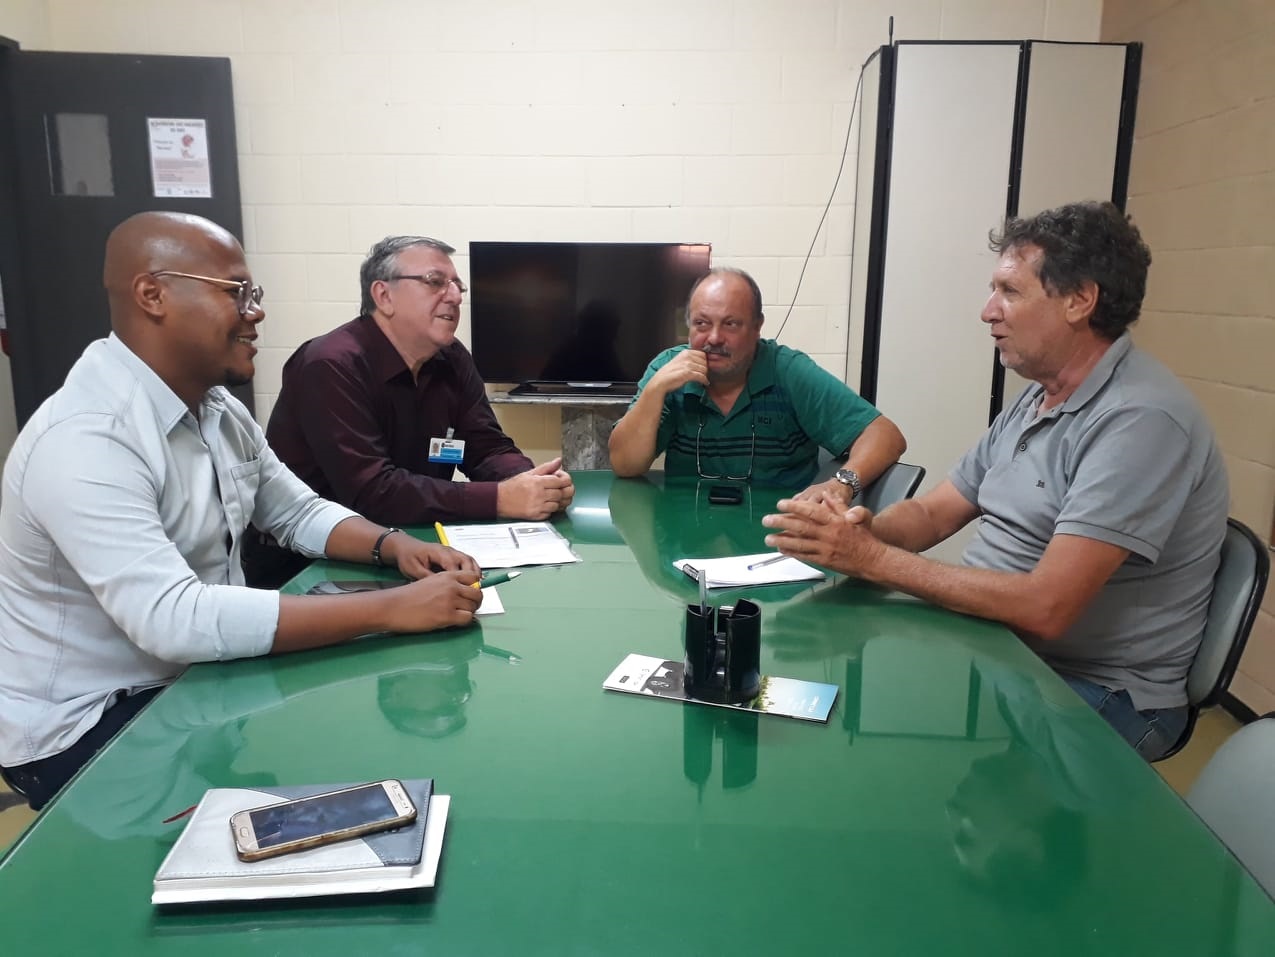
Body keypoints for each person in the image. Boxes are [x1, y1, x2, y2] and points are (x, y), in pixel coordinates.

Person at [0, 212, 484, 810]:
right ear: (153, 294)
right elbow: (173, 619)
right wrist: (392, 609)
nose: (255, 312)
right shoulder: (87, 437)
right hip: (93, 723)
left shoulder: (218, 411)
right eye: (237, 293)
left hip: (193, 682)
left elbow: (297, 511)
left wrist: (395, 547)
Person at [762, 201, 1229, 761]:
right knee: (828, 704)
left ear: (1081, 300)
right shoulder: (1041, 395)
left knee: (884, 752)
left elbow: (1047, 607)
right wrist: (855, 532)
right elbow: (935, 512)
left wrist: (871, 559)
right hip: (1001, 645)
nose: (988, 311)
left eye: (1010, 291)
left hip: (1098, 691)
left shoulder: (1141, 420)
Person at [265, 235, 575, 526]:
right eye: (435, 282)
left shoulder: (452, 357)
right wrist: (500, 499)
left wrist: (532, 482)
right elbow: (372, 491)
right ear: (384, 296)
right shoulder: (329, 365)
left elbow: (485, 447)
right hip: (310, 562)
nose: (454, 297)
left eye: (457, 286)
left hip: (410, 539)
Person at [607, 267, 906, 499]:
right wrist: (655, 391)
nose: (713, 338)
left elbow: (885, 435)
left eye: (731, 324)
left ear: (757, 327)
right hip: (684, 536)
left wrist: (842, 484)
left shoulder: (787, 370)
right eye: (701, 324)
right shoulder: (666, 370)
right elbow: (625, 465)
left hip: (777, 536)